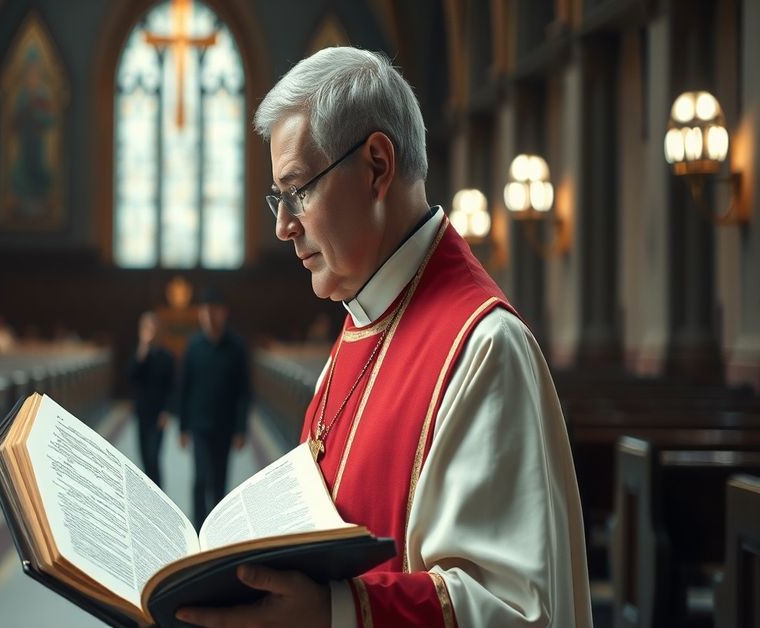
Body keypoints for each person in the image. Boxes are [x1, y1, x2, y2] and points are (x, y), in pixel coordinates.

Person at [176, 48, 592, 628]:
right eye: (278, 197)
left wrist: (334, 615)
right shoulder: (362, 325)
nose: (282, 226)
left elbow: (514, 611)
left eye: (298, 191)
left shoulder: (482, 347)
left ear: (376, 166)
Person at [178, 288, 251, 528]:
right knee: (200, 478)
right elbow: (184, 388)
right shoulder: (193, 346)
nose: (209, 316)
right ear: (200, 315)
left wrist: (241, 430)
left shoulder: (236, 346)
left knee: (220, 479)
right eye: (205, 311)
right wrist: (182, 427)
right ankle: (197, 526)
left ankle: (216, 528)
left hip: (225, 424)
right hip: (199, 425)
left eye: (214, 311)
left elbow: (243, 391)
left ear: (224, 313)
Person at [128, 311, 176, 487]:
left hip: (158, 415)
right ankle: (150, 497)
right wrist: (142, 348)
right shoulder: (139, 355)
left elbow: (172, 388)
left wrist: (167, 411)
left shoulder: (167, 356)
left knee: (153, 456)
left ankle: (159, 495)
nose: (150, 331)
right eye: (146, 328)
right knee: (144, 459)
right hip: (142, 413)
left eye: (152, 327)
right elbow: (131, 376)